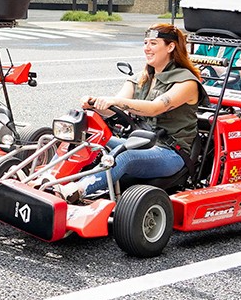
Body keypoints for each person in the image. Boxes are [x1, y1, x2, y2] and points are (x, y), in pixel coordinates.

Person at [67, 23, 204, 199]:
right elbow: (115, 111)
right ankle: (46, 179)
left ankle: (74, 191)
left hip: (170, 152)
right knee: (84, 139)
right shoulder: (141, 78)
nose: (147, 48)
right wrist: (96, 105)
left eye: (153, 43)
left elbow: (155, 108)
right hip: (138, 142)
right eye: (145, 43)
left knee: (125, 157)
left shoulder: (187, 83)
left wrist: (115, 101)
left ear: (170, 47)